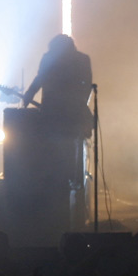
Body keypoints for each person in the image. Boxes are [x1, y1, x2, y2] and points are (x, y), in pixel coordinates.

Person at [22, 33, 94, 187]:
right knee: (68, 149)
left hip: (53, 113)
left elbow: (39, 78)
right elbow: (87, 86)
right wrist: (80, 105)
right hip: (67, 114)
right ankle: (69, 182)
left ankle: (59, 183)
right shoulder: (82, 59)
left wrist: (29, 95)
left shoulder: (50, 58)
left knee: (55, 150)